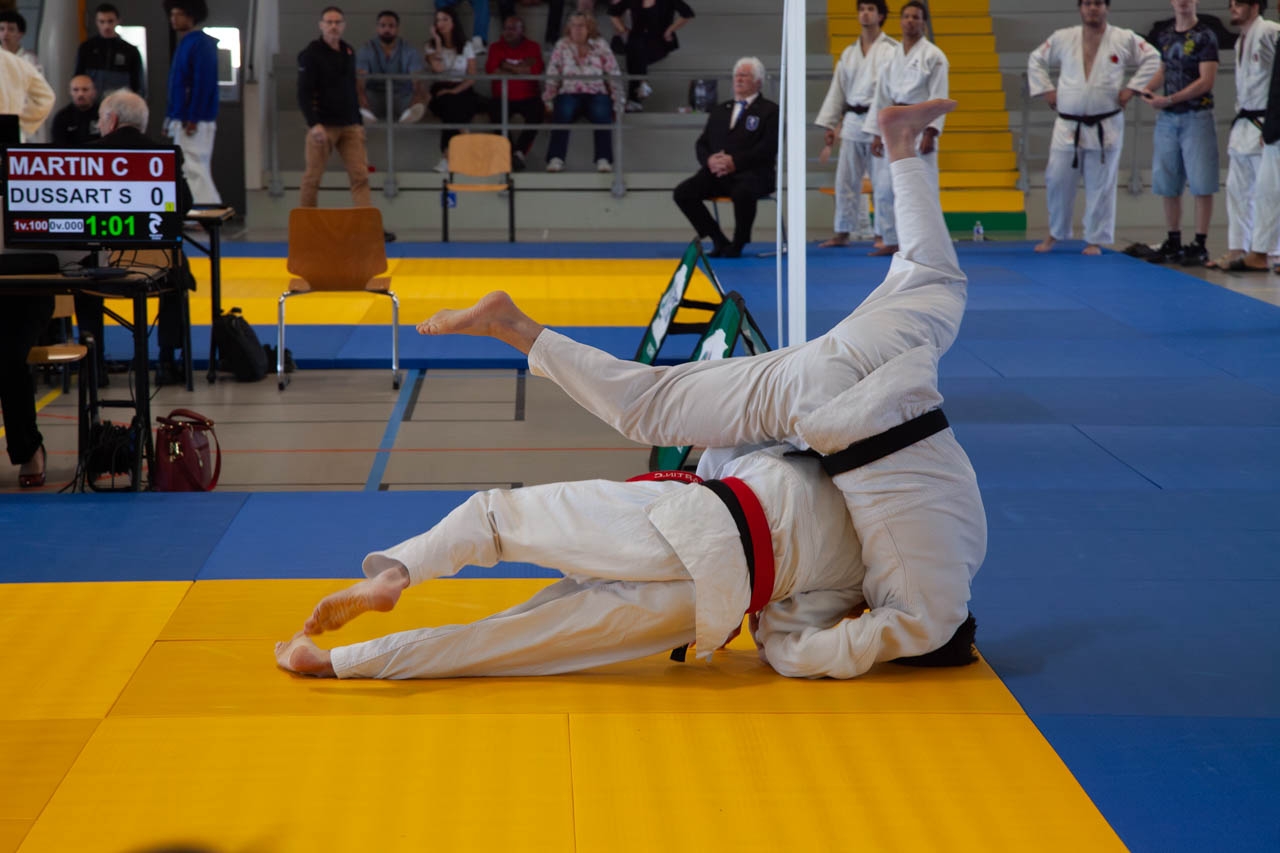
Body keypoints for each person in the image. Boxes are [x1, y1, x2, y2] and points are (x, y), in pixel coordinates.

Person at [408, 99, 987, 679]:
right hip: (839, 416)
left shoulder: (969, 539)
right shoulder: (928, 615)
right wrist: (774, 633)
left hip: (859, 361)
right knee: (649, 411)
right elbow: (819, 647)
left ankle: (902, 147)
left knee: (935, 278)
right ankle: (517, 329)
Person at [275, 443, 870, 678]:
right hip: (715, 598)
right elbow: (791, 648)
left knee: (501, 518)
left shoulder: (818, 457)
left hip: (692, 513)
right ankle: (332, 662)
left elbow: (722, 446)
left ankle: (399, 571)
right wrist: (766, 621)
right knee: (511, 642)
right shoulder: (859, 576)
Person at [72, 90, 196, 388]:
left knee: (79, 273)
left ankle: (94, 365)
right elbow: (184, 205)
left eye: (101, 120)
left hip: (103, 267)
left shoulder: (88, 155)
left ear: (112, 119)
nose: (100, 125)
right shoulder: (165, 154)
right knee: (177, 269)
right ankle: (167, 360)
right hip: (157, 269)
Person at [1028, 0, 1159, 256]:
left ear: (1106, 7)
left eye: (1098, 3)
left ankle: (1095, 239)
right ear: (1080, 8)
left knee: (1101, 185)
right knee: (1056, 179)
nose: (1093, 8)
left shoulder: (1123, 38)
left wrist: (1132, 88)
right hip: (1068, 123)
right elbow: (1036, 59)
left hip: (1106, 124)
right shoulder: (1063, 37)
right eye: (1087, 3)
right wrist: (1046, 90)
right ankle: (1055, 232)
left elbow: (1153, 57)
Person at [0, 48, 56, 488]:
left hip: (22, 291)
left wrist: (22, 128)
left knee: (6, 359)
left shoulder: (26, 178)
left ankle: (27, 449)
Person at [297, 6, 396, 242]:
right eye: (329, 22)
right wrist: (314, 124)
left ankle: (367, 228)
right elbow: (303, 92)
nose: (333, 26)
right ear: (321, 25)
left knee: (360, 177)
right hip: (323, 125)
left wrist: (358, 122)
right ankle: (306, 228)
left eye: (337, 22)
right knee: (312, 177)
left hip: (350, 124)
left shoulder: (348, 51)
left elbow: (352, 89)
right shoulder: (311, 54)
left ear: (343, 25)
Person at [671, 57, 779, 258]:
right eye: (736, 75)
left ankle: (739, 243)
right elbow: (702, 143)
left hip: (754, 173)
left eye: (744, 75)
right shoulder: (721, 110)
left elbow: (768, 148)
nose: (738, 79)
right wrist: (710, 161)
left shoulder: (770, 111)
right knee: (683, 193)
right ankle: (717, 238)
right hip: (718, 173)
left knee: (743, 193)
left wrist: (734, 163)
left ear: (758, 81)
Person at [1139, 0, 1219, 267]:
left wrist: (1170, 99)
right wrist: (1146, 89)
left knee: (1201, 181)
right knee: (1167, 180)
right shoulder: (1165, 35)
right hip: (1168, 118)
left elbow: (1206, 80)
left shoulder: (1205, 36)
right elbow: (1164, 69)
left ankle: (1200, 242)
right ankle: (1173, 238)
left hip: (1196, 115)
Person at [864, 1, 948, 257]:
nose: (911, 21)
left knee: (924, 187)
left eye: (916, 17)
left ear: (924, 22)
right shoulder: (890, 56)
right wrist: (876, 133)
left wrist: (931, 132)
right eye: (907, 16)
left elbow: (939, 96)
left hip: (920, 123)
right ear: (900, 21)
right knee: (885, 187)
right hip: (893, 124)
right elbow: (881, 96)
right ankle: (891, 239)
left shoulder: (934, 56)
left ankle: (928, 242)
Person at [815, 0, 897, 249]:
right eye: (862, 9)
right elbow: (838, 91)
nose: (865, 14)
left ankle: (883, 235)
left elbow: (892, 91)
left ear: (881, 16)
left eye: (871, 9)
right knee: (845, 181)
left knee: (883, 184)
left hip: (879, 121)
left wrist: (884, 127)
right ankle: (842, 232)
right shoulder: (849, 53)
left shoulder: (891, 50)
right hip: (852, 121)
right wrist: (831, 125)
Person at [1207, 0, 1279, 270]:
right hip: (1245, 123)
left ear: (1256, 5)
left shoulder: (1270, 31)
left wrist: (1273, 122)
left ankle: (1271, 251)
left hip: (1265, 122)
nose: (1232, 8)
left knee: (1267, 192)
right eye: (1231, 3)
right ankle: (1238, 247)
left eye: (1239, 3)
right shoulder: (1241, 41)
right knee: (1237, 190)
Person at [542, 12, 624, 173]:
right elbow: (553, 73)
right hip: (569, 91)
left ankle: (603, 158)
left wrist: (619, 100)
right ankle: (556, 158)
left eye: (581, 25)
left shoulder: (600, 44)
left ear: (589, 28)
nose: (577, 29)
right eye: (573, 25)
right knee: (563, 111)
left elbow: (613, 72)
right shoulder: (562, 45)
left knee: (602, 111)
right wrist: (548, 99)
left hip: (596, 91)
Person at [163, 0, 222, 204]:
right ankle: (200, 210)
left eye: (178, 14)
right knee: (189, 168)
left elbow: (203, 83)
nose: (173, 19)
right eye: (172, 14)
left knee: (195, 168)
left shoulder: (201, 44)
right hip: (183, 117)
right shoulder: (185, 43)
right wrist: (170, 117)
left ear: (191, 15)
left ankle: (206, 210)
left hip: (195, 119)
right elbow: (177, 85)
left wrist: (194, 118)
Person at [607, 0, 695, 112]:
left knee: (637, 49)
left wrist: (670, 30)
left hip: (660, 40)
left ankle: (636, 96)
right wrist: (623, 29)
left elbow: (687, 14)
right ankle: (640, 89)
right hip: (637, 41)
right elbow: (613, 12)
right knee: (636, 46)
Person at [484, 14, 546, 170]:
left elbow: (535, 71)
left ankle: (519, 153)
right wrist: (522, 68)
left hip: (529, 97)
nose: (508, 32)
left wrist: (506, 66)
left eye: (512, 28)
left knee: (538, 110)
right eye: (506, 28)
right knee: (494, 111)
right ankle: (510, 153)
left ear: (522, 30)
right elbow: (493, 71)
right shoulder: (495, 47)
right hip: (502, 97)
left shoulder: (533, 47)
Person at [1241, 29, 1280, 272]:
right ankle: (1259, 252)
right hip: (1275, 128)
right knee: (1266, 193)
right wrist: (1270, 126)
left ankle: (1261, 252)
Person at [425, 6, 481, 173]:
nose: (440, 23)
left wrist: (455, 91)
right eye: (438, 20)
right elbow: (439, 69)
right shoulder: (430, 46)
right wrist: (438, 41)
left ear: (453, 22)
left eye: (445, 19)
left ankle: (446, 157)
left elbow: (472, 77)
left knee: (454, 106)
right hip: (441, 88)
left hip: (462, 88)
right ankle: (466, 138)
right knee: (449, 103)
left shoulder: (467, 45)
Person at [356, 10, 429, 126]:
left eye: (391, 26)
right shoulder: (366, 49)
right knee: (354, 93)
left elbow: (417, 79)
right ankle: (365, 113)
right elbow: (360, 79)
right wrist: (361, 98)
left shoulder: (409, 49)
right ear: (377, 28)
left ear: (397, 29)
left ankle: (410, 114)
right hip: (374, 94)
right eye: (383, 26)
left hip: (402, 94)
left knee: (422, 95)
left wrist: (417, 98)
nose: (387, 29)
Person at [75, 3, 147, 97]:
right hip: (92, 101)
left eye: (110, 21)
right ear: (96, 22)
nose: (106, 26)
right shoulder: (86, 48)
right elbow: (78, 78)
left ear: (118, 21)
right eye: (102, 21)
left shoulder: (130, 51)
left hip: (120, 101)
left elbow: (138, 84)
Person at [0, 10, 49, 142]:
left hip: (23, 118)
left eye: (11, 29)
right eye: (2, 29)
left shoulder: (30, 61)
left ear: (20, 33)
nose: (5, 33)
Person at [50, 76, 102, 146]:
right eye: (75, 90)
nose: (80, 94)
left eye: (85, 89)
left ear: (94, 92)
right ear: (70, 92)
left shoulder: (102, 114)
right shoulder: (61, 117)